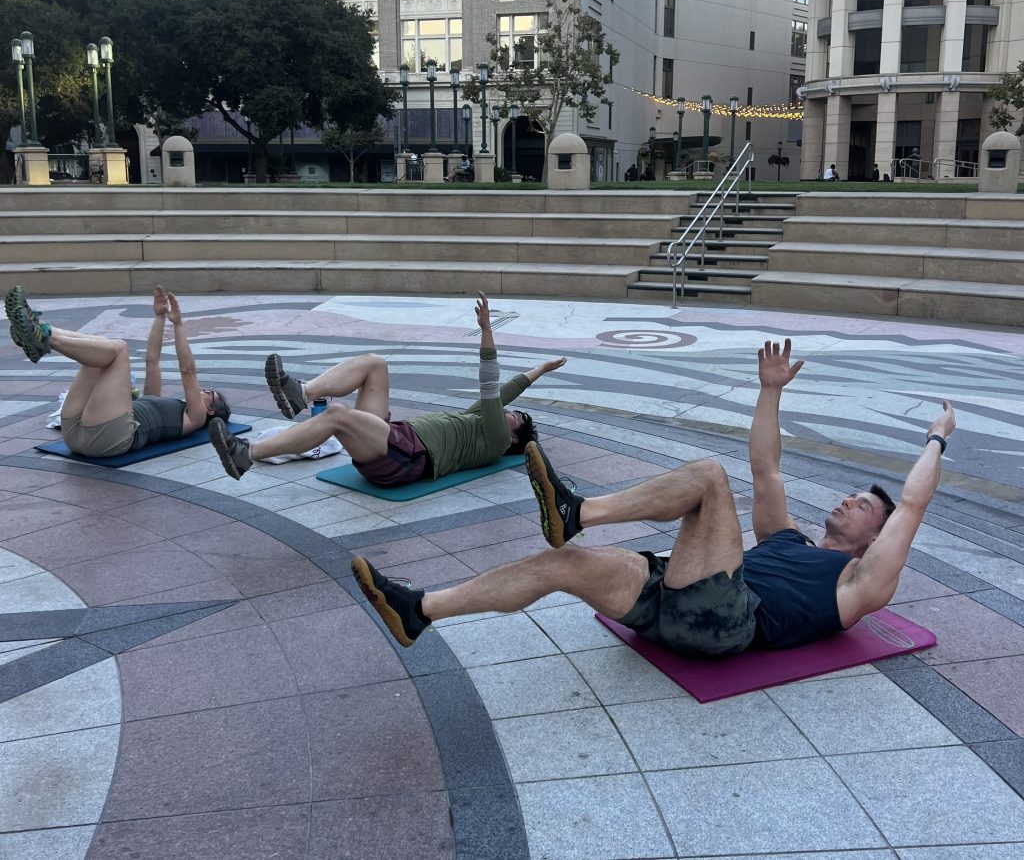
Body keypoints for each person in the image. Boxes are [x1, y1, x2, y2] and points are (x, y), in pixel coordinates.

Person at [352, 338, 956, 654]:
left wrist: (936, 439)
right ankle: (420, 610)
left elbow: (913, 504)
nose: (851, 502)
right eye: (853, 495)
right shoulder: (790, 539)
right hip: (681, 605)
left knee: (708, 478)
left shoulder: (861, 582)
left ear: (875, 538)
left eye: (863, 507)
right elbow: (767, 468)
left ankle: (577, 511)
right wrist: (770, 391)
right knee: (563, 564)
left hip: (728, 622)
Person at [209, 293, 566, 485]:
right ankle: (299, 394)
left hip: (407, 458)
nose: (506, 411)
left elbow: (490, 384)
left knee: (337, 415)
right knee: (375, 364)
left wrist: (487, 329)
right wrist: (540, 369)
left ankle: (248, 454)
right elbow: (504, 392)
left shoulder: (493, 439)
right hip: (395, 438)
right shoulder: (481, 421)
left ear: (513, 439)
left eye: (513, 417)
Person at [4, 285, 230, 458]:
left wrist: (179, 325)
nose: (201, 389)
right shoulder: (163, 404)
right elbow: (152, 360)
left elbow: (188, 372)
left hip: (112, 438)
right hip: (78, 431)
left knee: (119, 349)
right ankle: (40, 331)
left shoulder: (196, 417)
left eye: (208, 393)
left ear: (210, 410)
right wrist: (160, 316)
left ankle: (44, 336)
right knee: (100, 351)